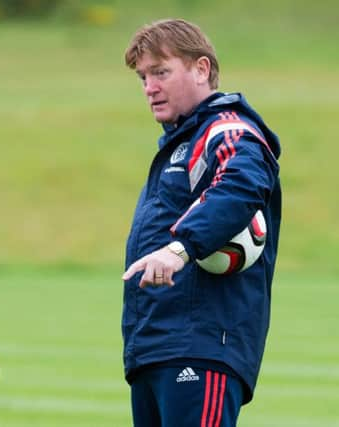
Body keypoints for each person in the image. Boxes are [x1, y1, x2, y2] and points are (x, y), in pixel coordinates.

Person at [120, 19, 281, 427]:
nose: (149, 87)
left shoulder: (225, 129)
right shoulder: (181, 144)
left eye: (161, 72)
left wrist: (180, 249)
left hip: (202, 345)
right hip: (157, 346)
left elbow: (242, 185)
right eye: (143, 77)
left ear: (202, 69)